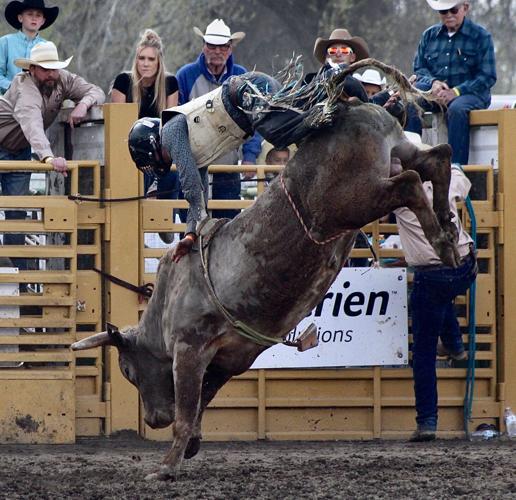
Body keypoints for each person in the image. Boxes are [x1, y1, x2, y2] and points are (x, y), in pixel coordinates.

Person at [0, 41, 105, 266]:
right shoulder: (24, 87)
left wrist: (83, 105)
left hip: (18, 150)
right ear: (32, 69)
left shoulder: (62, 79)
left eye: (54, 68)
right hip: (11, 145)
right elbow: (32, 123)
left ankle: (21, 281)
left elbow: (95, 91)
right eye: (46, 69)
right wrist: (48, 156)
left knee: (17, 215)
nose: (51, 74)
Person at [393, 162, 477, 442]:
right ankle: (454, 345)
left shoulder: (400, 192)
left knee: (424, 352)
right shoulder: (445, 183)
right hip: (464, 266)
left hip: (432, 274)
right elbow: (460, 176)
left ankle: (427, 420)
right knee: (442, 296)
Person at [175, 19, 262, 219]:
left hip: (228, 166)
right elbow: (175, 119)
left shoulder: (242, 76)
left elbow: (255, 119)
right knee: (190, 226)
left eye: (223, 46)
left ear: (230, 49)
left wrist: (249, 156)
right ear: (203, 47)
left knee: (227, 225)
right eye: (212, 45)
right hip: (192, 167)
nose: (217, 51)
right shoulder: (186, 76)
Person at [405, 0, 496, 166]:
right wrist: (434, 83)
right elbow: (419, 68)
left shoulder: (481, 36)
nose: (448, 15)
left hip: (471, 94)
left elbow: (488, 76)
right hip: (436, 91)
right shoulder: (429, 35)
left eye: (453, 10)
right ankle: (411, 161)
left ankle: (456, 168)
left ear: (465, 8)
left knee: (457, 109)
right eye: (443, 11)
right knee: (412, 101)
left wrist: (457, 92)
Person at [111, 29, 178, 195]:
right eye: (141, 58)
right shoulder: (123, 82)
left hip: (161, 153)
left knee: (172, 179)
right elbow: (119, 128)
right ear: (136, 60)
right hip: (132, 153)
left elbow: (171, 124)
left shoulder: (170, 82)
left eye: (150, 59)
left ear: (158, 61)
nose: (145, 63)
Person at [0, 0, 58, 94]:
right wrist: (12, 86)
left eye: (38, 15)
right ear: (20, 18)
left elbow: (52, 75)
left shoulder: (47, 47)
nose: (34, 18)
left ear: (43, 21)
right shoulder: (5, 42)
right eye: (30, 14)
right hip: (9, 100)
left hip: (39, 100)